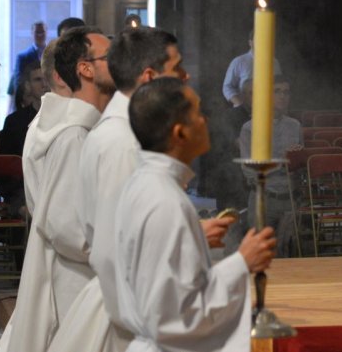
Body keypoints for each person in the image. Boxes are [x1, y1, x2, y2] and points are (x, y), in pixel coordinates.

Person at [48, 27, 229, 352]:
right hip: (134, 323)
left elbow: (135, 232)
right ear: (149, 77)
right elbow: (113, 250)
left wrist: (191, 233)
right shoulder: (124, 143)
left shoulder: (126, 131)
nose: (185, 77)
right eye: (177, 68)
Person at [115, 77, 275, 352]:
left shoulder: (147, 184)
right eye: (198, 114)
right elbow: (171, 318)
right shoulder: (163, 200)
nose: (205, 121)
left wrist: (194, 236)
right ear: (180, 133)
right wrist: (242, 261)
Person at [0, 26, 115, 352]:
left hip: (70, 272)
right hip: (75, 282)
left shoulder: (60, 123)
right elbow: (68, 229)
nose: (119, 63)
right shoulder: (71, 135)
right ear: (84, 69)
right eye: (109, 56)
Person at [238, 78, 302, 251]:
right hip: (264, 197)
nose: (282, 96)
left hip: (289, 197)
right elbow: (249, 171)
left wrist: (297, 159)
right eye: (277, 91)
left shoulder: (295, 126)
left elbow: (299, 165)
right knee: (261, 253)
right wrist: (282, 162)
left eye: (286, 92)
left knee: (289, 254)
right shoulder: (250, 128)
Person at [221, 31, 282, 107]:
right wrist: (240, 104)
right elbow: (227, 87)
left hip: (268, 109)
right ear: (250, 43)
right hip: (244, 112)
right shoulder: (239, 61)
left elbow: (279, 86)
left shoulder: (274, 62)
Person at [0, 63, 44, 157]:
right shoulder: (13, 122)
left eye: (48, 79)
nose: (44, 84)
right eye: (38, 80)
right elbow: (5, 163)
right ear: (28, 86)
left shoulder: (65, 118)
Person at [11, 21, 48, 111]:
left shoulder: (53, 54)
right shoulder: (22, 57)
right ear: (32, 33)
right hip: (29, 102)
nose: (40, 35)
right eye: (37, 32)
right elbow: (18, 82)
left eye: (42, 32)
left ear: (46, 33)